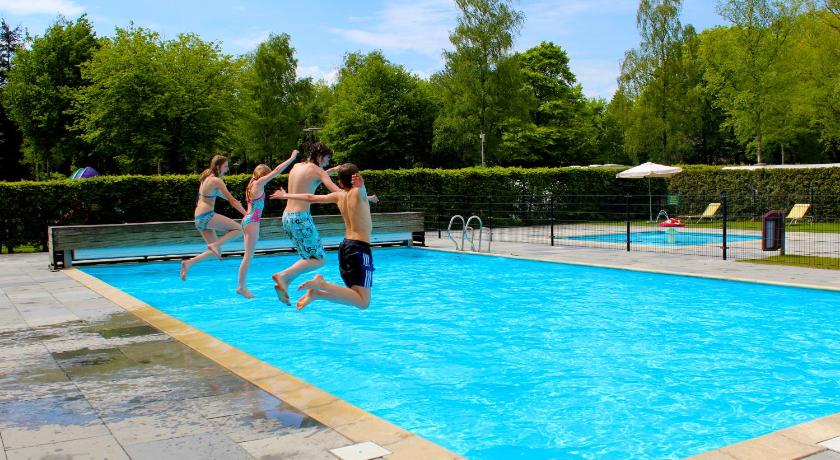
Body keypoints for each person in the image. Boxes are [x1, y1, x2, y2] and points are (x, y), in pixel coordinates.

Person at [267, 142, 377, 305]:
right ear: (319, 156)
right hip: (302, 219)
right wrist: (365, 195)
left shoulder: (297, 166)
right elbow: (344, 192)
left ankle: (289, 282)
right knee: (318, 259)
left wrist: (285, 195)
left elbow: (311, 194)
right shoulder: (327, 178)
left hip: (287, 217)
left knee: (308, 257)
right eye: (327, 159)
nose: (327, 163)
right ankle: (286, 277)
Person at [235, 150, 299, 298]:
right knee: (248, 256)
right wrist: (291, 158)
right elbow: (277, 170)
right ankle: (241, 287)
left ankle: (241, 286)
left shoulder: (251, 184)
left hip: (247, 220)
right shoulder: (258, 183)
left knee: (248, 255)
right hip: (252, 221)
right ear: (263, 175)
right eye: (267, 175)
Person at [180, 155, 247, 281]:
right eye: (225, 166)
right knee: (240, 229)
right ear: (218, 166)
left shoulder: (206, 177)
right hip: (207, 216)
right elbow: (232, 201)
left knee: (217, 252)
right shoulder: (216, 180)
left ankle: (188, 263)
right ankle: (215, 244)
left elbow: (220, 195)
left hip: (199, 218)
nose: (227, 169)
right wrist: (247, 214)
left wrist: (234, 200)